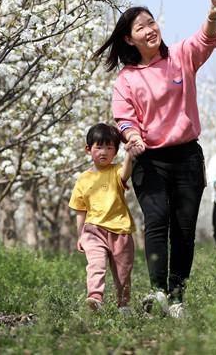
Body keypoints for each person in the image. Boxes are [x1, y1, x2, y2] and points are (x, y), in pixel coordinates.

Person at [94, 0, 216, 317]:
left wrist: (212, 17)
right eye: (141, 27)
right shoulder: (126, 79)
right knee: (156, 222)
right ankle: (158, 292)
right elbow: (124, 119)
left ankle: (177, 296)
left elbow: (204, 41)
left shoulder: (180, 56)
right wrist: (132, 137)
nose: (150, 29)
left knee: (184, 230)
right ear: (129, 39)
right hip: (150, 161)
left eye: (152, 22)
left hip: (187, 157)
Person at [69, 123, 135, 311]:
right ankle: (95, 298)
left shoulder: (116, 171)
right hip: (93, 230)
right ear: (88, 150)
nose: (104, 152)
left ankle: (124, 304)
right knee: (96, 264)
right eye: (99, 147)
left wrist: (129, 154)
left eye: (109, 147)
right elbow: (80, 210)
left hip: (120, 230)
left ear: (115, 152)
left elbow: (125, 174)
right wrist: (80, 235)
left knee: (123, 272)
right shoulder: (83, 179)